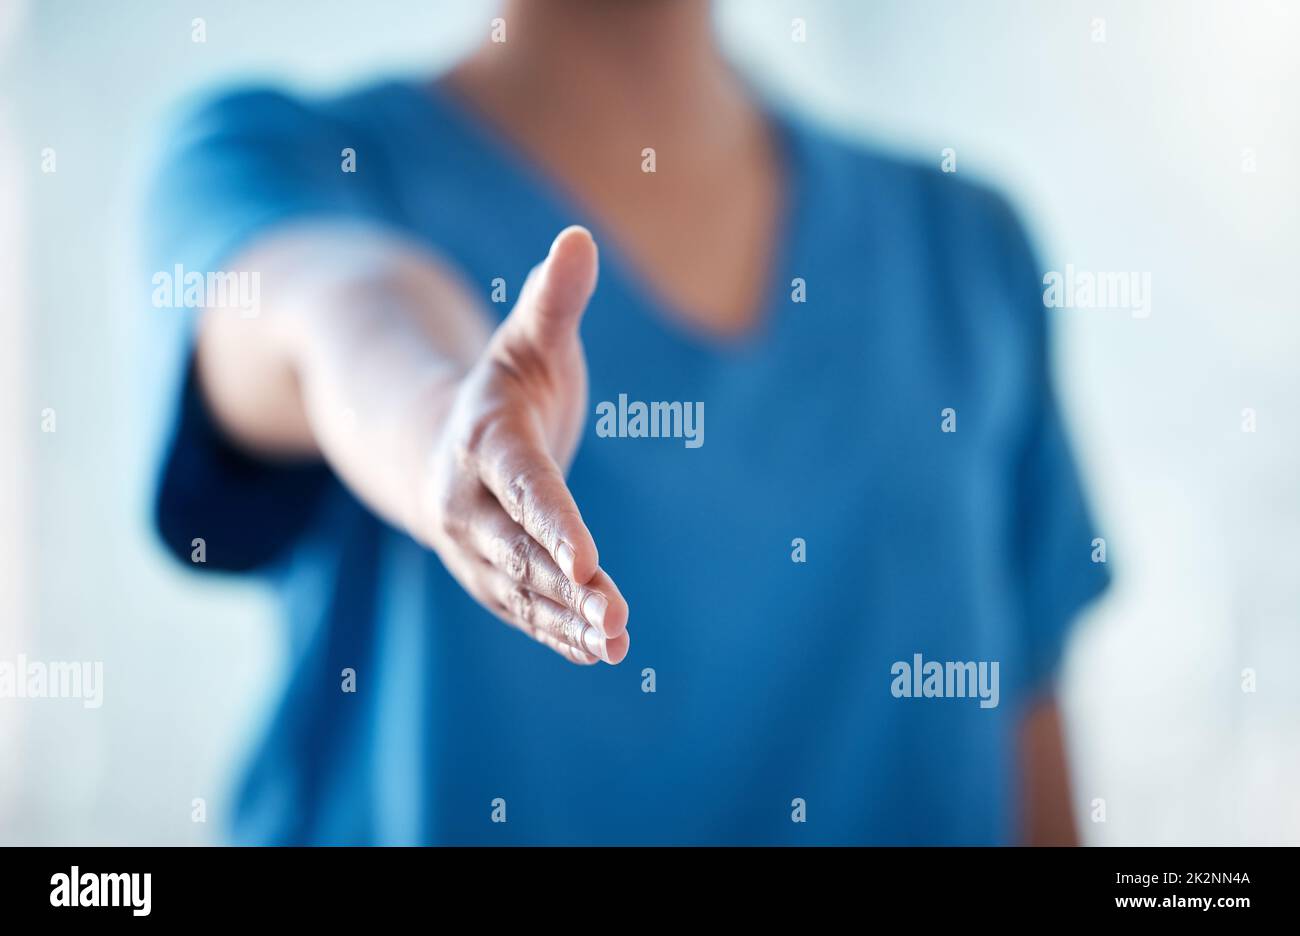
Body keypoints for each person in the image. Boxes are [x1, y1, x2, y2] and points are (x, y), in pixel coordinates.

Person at [147, 0, 1108, 844]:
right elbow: (330, 311)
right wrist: (444, 418)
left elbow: (1031, 771)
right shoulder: (277, 164)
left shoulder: (967, 253)